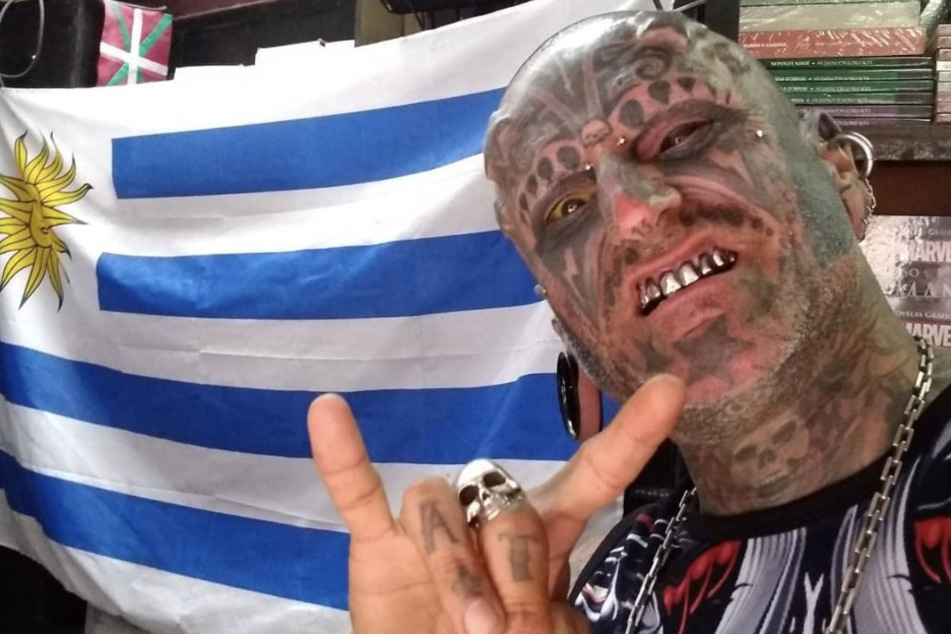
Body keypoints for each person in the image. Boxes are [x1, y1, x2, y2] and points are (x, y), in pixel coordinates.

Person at [307, 10, 951, 634]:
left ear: (837, 170)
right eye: (567, 207)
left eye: (680, 135)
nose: (632, 214)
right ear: (571, 331)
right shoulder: (605, 588)